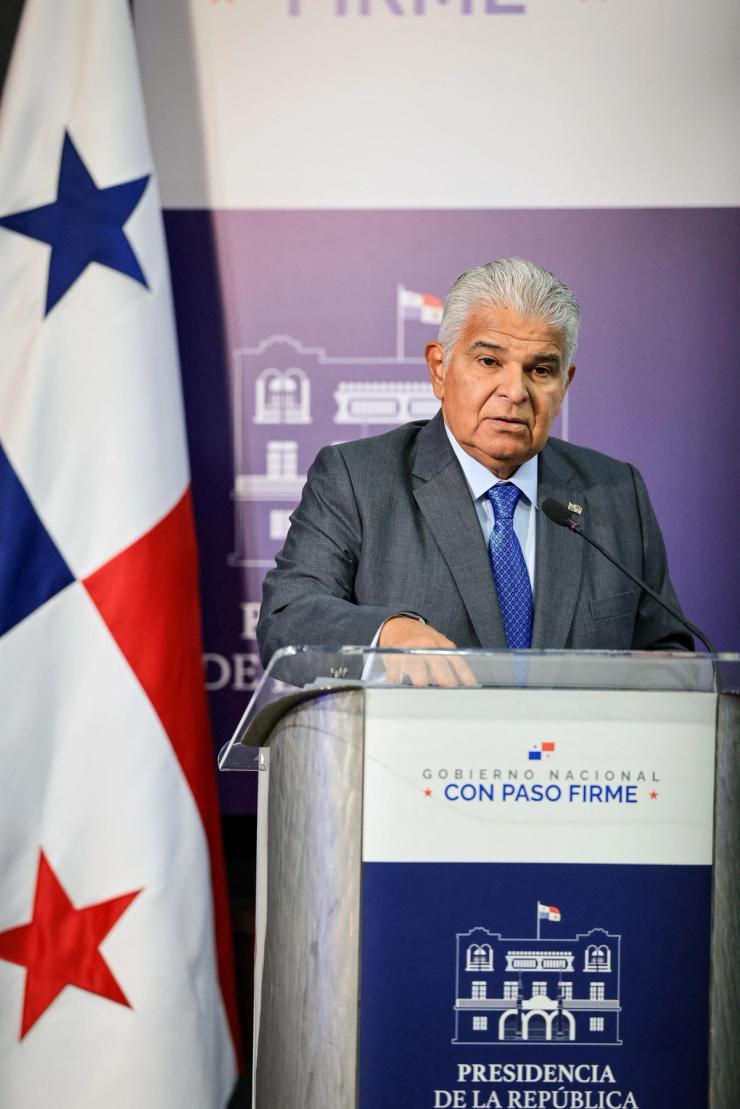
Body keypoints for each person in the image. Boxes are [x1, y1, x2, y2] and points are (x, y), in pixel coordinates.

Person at [257, 258, 692, 684]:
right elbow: (287, 619)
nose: (515, 391)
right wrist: (386, 633)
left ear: (565, 385)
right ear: (439, 369)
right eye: (489, 362)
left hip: (574, 754)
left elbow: (667, 654)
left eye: (540, 370)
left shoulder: (615, 492)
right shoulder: (357, 479)